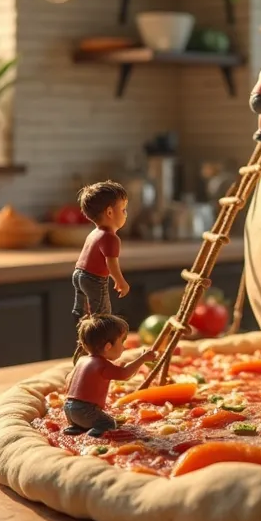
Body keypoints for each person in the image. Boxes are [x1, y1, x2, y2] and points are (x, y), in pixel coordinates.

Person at [64, 314, 155, 437]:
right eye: (122, 341)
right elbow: (124, 375)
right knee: (109, 423)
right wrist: (142, 359)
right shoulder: (101, 364)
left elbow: (68, 379)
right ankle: (93, 436)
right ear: (108, 346)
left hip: (68, 408)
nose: (124, 347)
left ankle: (75, 427)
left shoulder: (82, 360)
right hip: (85, 411)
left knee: (83, 419)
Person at [72, 180, 129, 320]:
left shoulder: (94, 233)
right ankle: (100, 337)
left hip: (78, 275)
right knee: (102, 316)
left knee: (85, 316)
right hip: (94, 279)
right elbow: (111, 264)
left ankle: (84, 330)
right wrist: (120, 281)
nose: (126, 214)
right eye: (123, 210)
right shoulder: (110, 238)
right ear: (110, 212)